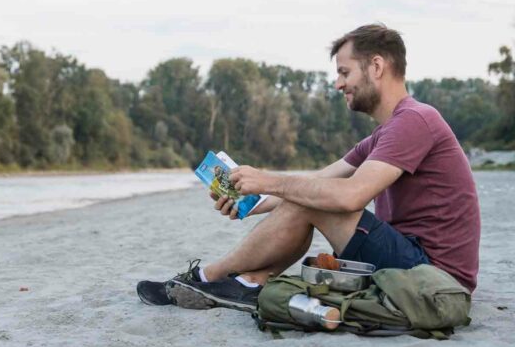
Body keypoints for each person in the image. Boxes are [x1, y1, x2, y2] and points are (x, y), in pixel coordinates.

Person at [137, 24, 480, 310]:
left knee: (315, 198)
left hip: (434, 277)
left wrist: (269, 181)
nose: (338, 83)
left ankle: (208, 277)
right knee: (309, 194)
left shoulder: (415, 120)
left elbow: (348, 196)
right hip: (411, 261)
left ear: (376, 67)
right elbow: (318, 181)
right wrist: (248, 198)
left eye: (345, 72)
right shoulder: (386, 134)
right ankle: (248, 282)